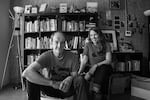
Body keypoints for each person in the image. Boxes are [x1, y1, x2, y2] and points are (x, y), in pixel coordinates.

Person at [22, 31, 88, 100]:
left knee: (80, 79)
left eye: (62, 43)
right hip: (51, 87)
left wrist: (70, 78)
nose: (59, 46)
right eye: (56, 42)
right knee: (31, 77)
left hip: (67, 88)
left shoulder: (73, 56)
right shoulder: (46, 56)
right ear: (51, 43)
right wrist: (51, 83)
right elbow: (26, 73)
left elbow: (75, 75)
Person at [78, 28, 113, 99]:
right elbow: (84, 60)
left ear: (99, 35)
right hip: (92, 68)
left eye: (95, 35)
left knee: (103, 68)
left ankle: (95, 90)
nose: (93, 37)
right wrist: (79, 72)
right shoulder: (88, 45)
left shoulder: (106, 44)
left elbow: (108, 60)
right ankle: (99, 94)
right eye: (91, 35)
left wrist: (95, 66)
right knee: (98, 73)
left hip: (104, 67)